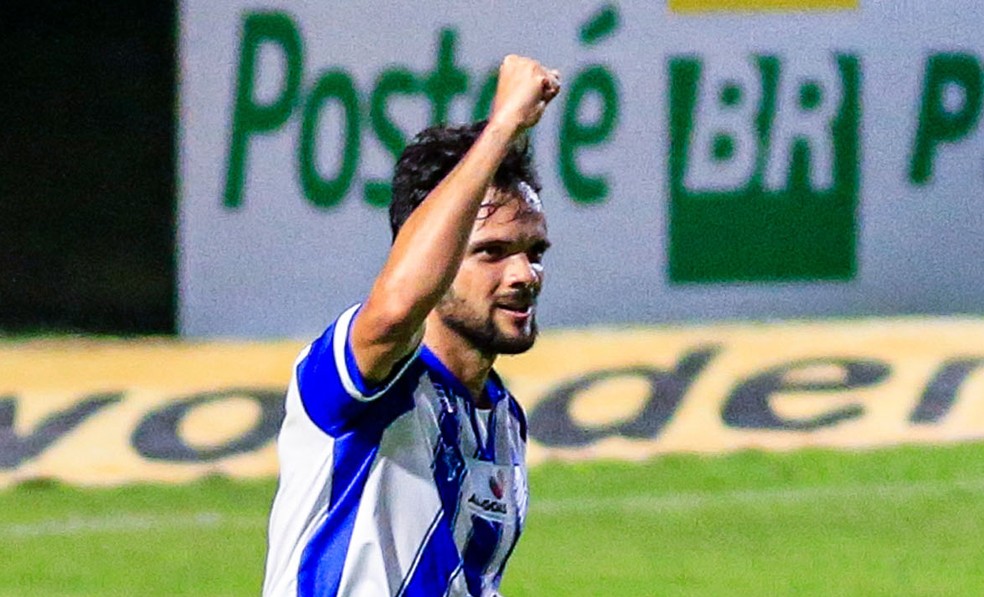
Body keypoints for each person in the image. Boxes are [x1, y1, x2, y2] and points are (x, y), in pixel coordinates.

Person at [262, 55, 561, 597]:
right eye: (491, 252)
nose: (524, 275)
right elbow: (398, 308)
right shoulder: (365, 381)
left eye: (534, 252)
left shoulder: (502, 419)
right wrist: (501, 129)